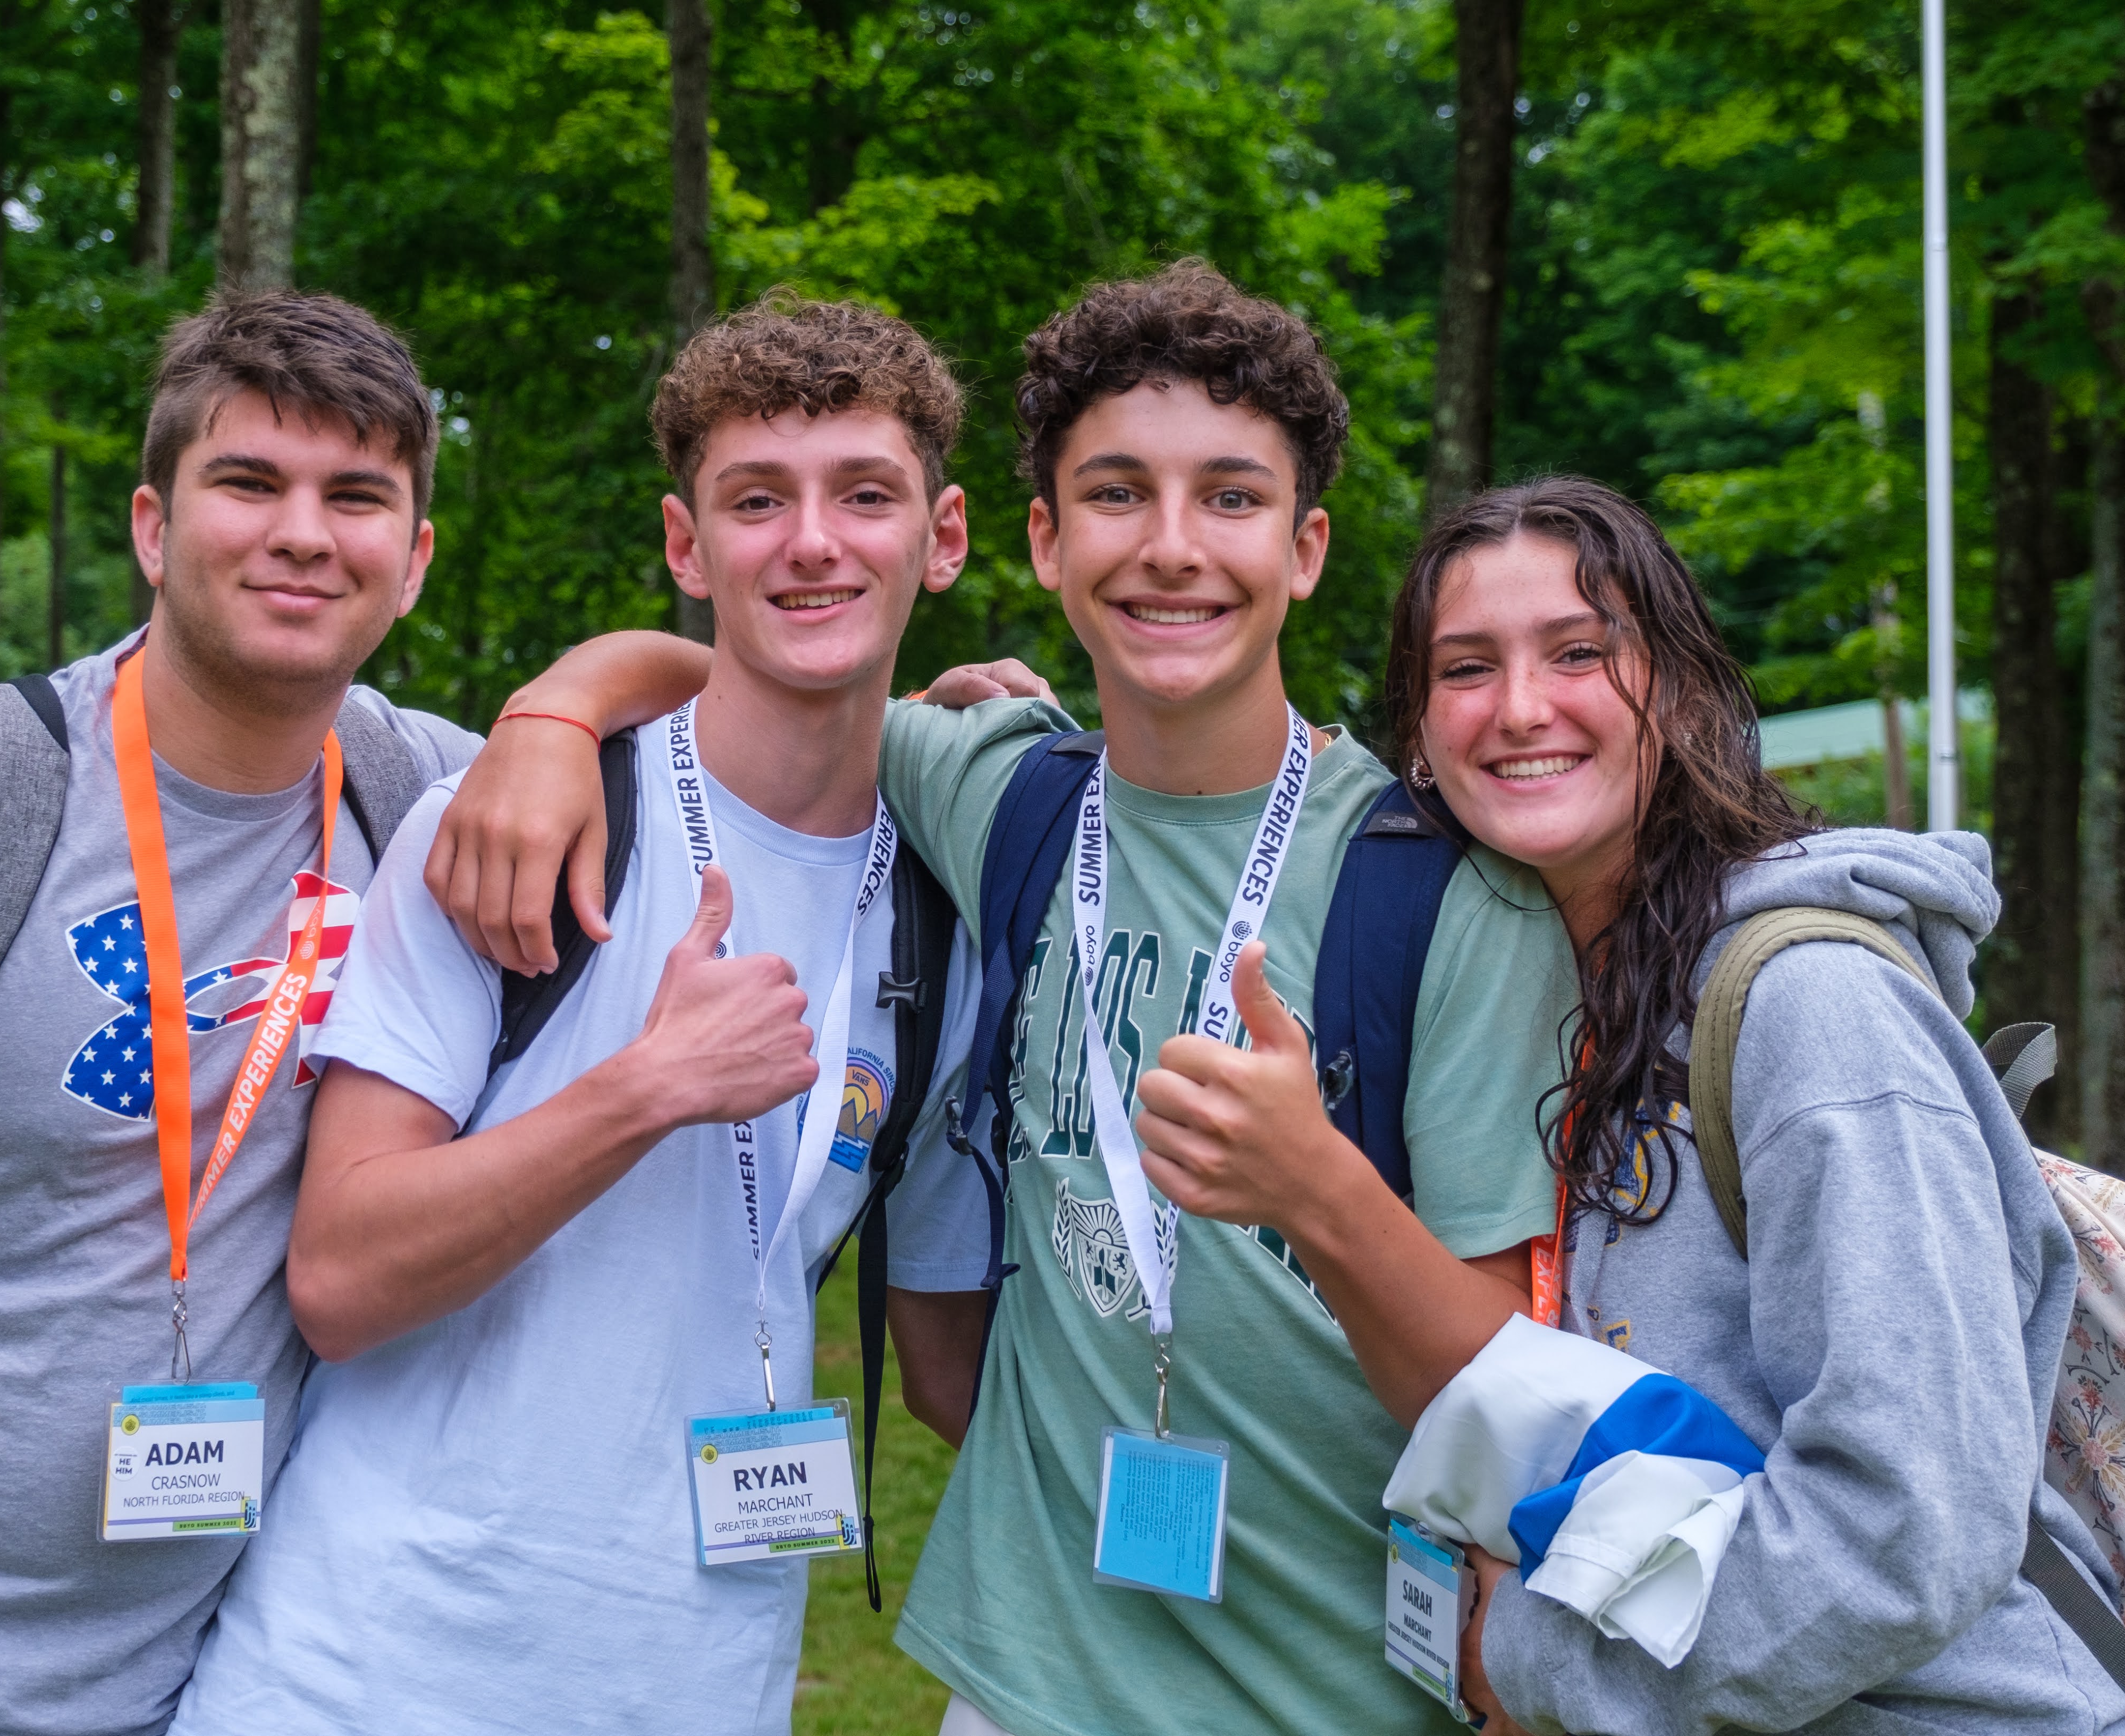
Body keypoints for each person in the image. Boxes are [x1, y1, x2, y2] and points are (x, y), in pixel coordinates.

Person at [430, 262, 1580, 1734]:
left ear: (1305, 549)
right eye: (1114, 495)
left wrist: (1315, 1190)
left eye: (1230, 498)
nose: (1171, 549)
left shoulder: (1441, 895)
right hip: (1021, 1680)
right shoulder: (1003, 793)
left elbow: (1492, 1391)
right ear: (1039, 539)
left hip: (1331, 1688)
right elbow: (770, 672)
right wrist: (554, 710)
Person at [0, 291, 711, 1736]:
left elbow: (751, 715)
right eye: (250, 482)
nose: (304, 531)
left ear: (412, 563)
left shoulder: (429, 800)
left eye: (358, 496)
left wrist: (569, 698)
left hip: (206, 1688)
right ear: (153, 528)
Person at [170, 293, 997, 1736]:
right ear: (688, 545)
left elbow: (950, 1352)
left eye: (865, 495)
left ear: (945, 536)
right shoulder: (523, 827)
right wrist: (644, 1086)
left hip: (699, 1677)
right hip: (363, 1676)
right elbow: (342, 1277)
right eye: (756, 501)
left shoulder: (950, 893)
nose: (811, 542)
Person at [1200, 474, 2125, 1732]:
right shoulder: (1564, 1014)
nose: (1519, 706)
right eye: (1464, 666)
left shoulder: (1808, 1012)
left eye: (1577, 651)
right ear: (1416, 736)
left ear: (1678, 689)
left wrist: (1533, 1654)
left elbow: (1902, 1529)